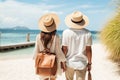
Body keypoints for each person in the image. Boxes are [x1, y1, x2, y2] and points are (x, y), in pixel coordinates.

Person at [33, 13, 66, 80]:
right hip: (53, 63)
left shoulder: (38, 36)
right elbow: (58, 52)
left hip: (42, 63)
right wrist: (63, 62)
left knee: (43, 77)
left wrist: (36, 61)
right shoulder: (56, 37)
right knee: (53, 77)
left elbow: (36, 50)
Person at [62, 11, 92, 80]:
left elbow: (64, 49)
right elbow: (88, 50)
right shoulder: (87, 33)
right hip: (82, 63)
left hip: (69, 63)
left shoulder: (66, 32)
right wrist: (89, 63)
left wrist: (63, 62)